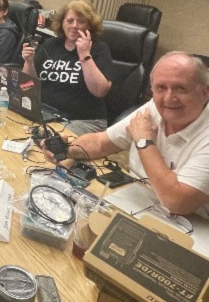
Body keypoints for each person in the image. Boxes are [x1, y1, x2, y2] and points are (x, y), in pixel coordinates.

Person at [53, 52, 209, 218]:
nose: (169, 98)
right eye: (161, 88)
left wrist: (143, 141)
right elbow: (101, 143)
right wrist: (67, 150)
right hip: (137, 200)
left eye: (181, 88)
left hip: (191, 226)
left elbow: (176, 202)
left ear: (205, 92)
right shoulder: (155, 107)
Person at [22, 0, 113, 135]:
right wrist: (29, 62)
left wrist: (85, 56)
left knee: (45, 141)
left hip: (83, 121)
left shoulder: (99, 49)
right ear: (62, 23)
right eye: (69, 21)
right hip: (46, 113)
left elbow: (100, 91)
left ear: (89, 25)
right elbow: (27, 85)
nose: (74, 26)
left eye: (81, 21)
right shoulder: (50, 45)